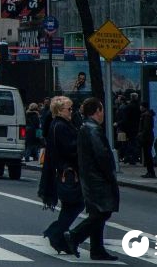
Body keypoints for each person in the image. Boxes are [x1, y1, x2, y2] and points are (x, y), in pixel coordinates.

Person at [64, 98, 119, 261]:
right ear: (97, 111)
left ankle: (97, 249)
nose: (103, 114)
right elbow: (101, 155)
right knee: (103, 212)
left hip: (90, 177)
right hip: (97, 179)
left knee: (98, 212)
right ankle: (74, 236)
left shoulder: (86, 127)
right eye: (102, 110)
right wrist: (110, 175)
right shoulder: (93, 129)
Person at [38, 97, 84, 255]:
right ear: (59, 110)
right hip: (68, 172)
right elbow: (70, 149)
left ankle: (60, 238)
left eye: (72, 108)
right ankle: (55, 232)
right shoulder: (60, 126)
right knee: (77, 204)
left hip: (65, 171)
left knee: (70, 206)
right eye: (68, 109)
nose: (71, 111)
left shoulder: (58, 125)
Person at [138, 101, 157, 178]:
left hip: (146, 138)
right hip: (148, 137)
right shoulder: (148, 115)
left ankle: (150, 172)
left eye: (141, 106)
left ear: (143, 107)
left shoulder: (146, 116)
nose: (140, 107)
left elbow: (146, 128)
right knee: (147, 154)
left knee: (147, 155)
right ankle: (150, 171)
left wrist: (141, 135)